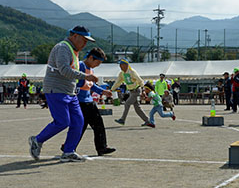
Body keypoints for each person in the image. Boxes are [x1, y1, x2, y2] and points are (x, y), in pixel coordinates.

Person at [28, 25, 98, 162]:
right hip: (56, 90)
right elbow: (64, 70)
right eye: (84, 40)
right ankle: (37, 140)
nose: (85, 44)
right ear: (74, 36)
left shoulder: (73, 51)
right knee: (62, 121)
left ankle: (69, 151)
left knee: (78, 121)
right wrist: (86, 76)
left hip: (69, 92)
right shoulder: (63, 48)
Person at [61, 48, 115, 156]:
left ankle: (102, 147)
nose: (98, 65)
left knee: (98, 124)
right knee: (80, 126)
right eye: (97, 62)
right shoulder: (80, 66)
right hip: (79, 101)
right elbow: (77, 82)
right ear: (90, 58)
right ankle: (68, 147)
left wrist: (103, 91)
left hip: (89, 101)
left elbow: (91, 85)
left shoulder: (90, 69)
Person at [111, 58, 149, 125]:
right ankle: (147, 120)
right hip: (131, 92)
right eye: (119, 65)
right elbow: (118, 82)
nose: (120, 67)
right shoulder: (121, 74)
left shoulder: (132, 72)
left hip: (136, 91)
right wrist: (112, 89)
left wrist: (143, 90)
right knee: (137, 108)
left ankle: (122, 119)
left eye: (121, 65)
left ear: (126, 65)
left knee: (127, 104)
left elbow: (140, 81)